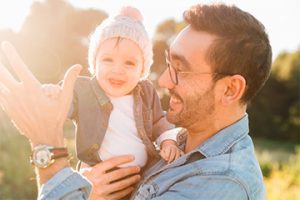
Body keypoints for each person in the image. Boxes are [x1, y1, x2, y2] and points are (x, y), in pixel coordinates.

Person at [0, 3, 272, 200]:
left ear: (230, 89)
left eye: (181, 69)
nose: (163, 81)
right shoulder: (177, 140)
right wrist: (85, 189)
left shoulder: (222, 184)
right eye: (168, 63)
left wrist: (47, 148)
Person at [42, 6, 183, 172]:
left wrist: (168, 142)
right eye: (108, 60)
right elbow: (63, 105)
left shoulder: (146, 92)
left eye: (129, 63)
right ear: (95, 63)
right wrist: (53, 95)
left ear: (142, 70)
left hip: (141, 179)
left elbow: (159, 121)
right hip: (97, 176)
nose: (117, 70)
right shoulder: (83, 91)